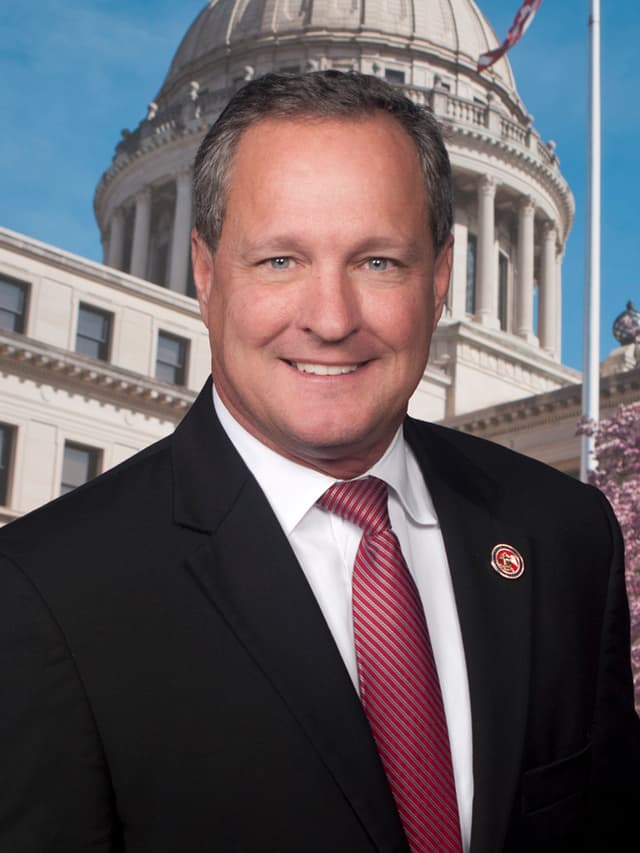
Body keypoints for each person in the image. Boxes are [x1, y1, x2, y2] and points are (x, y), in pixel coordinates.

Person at [0, 70, 638, 853]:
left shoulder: (562, 535)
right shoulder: (44, 593)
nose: (331, 320)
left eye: (379, 262)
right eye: (280, 260)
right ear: (205, 273)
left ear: (442, 277)